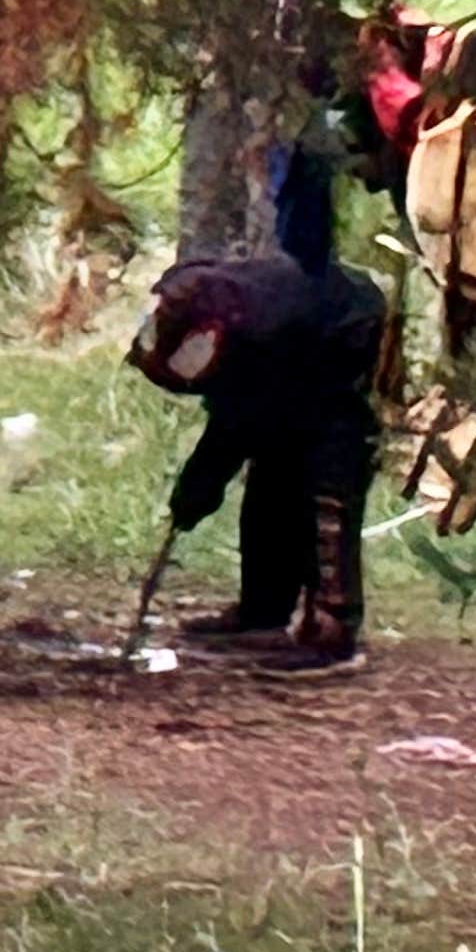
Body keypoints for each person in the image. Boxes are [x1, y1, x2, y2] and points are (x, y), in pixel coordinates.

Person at [127, 135, 387, 668]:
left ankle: (333, 622)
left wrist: (195, 492)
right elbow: (234, 421)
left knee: (327, 485)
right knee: (271, 481)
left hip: (342, 348)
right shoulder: (205, 309)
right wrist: (195, 491)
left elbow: (230, 432)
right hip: (293, 357)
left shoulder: (254, 333)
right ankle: (264, 608)